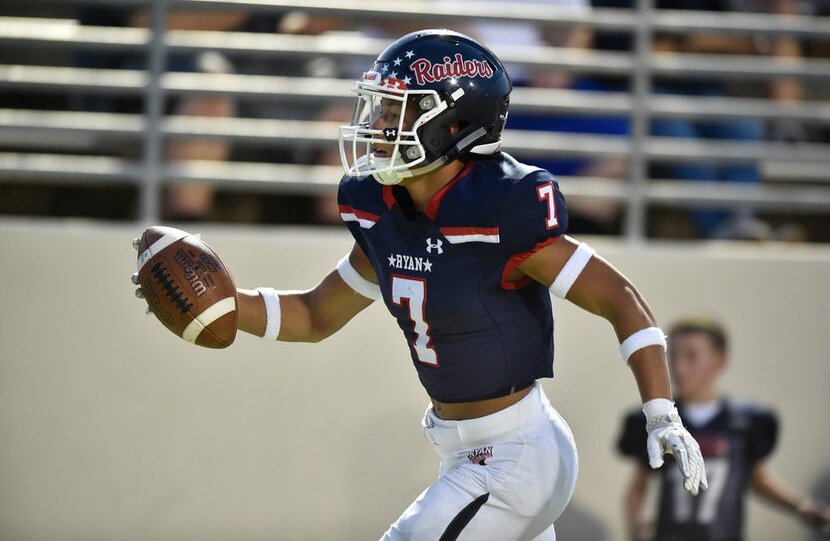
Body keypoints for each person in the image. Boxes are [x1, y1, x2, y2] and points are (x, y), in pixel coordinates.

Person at [134, 29, 707, 540]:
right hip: (465, 456)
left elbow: (618, 298)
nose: (376, 128)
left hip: (513, 457)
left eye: (395, 112)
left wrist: (662, 411)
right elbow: (314, 315)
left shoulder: (502, 208)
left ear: (455, 127)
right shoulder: (382, 208)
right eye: (378, 110)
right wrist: (226, 306)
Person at [618, 316, 830, 541]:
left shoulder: (745, 422)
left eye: (691, 356)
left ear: (720, 361)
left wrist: (801, 507)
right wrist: (635, 522)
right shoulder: (659, 421)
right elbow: (638, 485)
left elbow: (757, 479)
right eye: (673, 356)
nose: (679, 367)